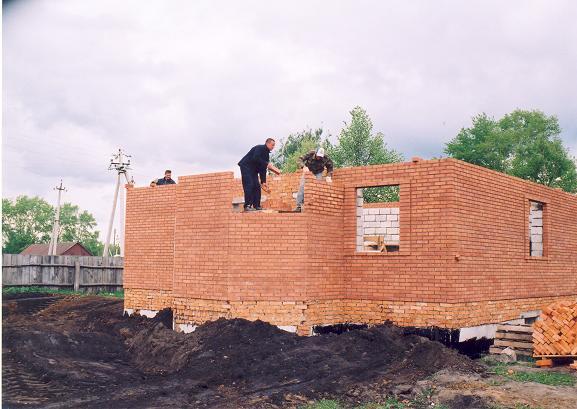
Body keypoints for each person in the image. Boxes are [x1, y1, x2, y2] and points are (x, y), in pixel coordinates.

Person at [238, 138, 281, 211]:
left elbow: (263, 169)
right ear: (267, 143)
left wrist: (263, 181)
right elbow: (255, 158)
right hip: (246, 166)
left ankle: (257, 205)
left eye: (274, 146)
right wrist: (266, 164)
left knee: (257, 186)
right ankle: (247, 206)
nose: (273, 147)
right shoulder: (259, 148)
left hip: (253, 170)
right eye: (272, 145)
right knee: (249, 184)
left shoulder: (266, 155)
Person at [295, 147, 334, 212]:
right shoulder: (311, 153)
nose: (319, 157)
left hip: (318, 172)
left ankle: (315, 206)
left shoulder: (325, 158)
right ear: (315, 153)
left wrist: (329, 176)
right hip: (308, 171)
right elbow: (299, 159)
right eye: (318, 156)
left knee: (318, 187)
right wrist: (303, 166)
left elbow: (330, 167)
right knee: (302, 186)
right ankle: (298, 206)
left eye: (320, 157)